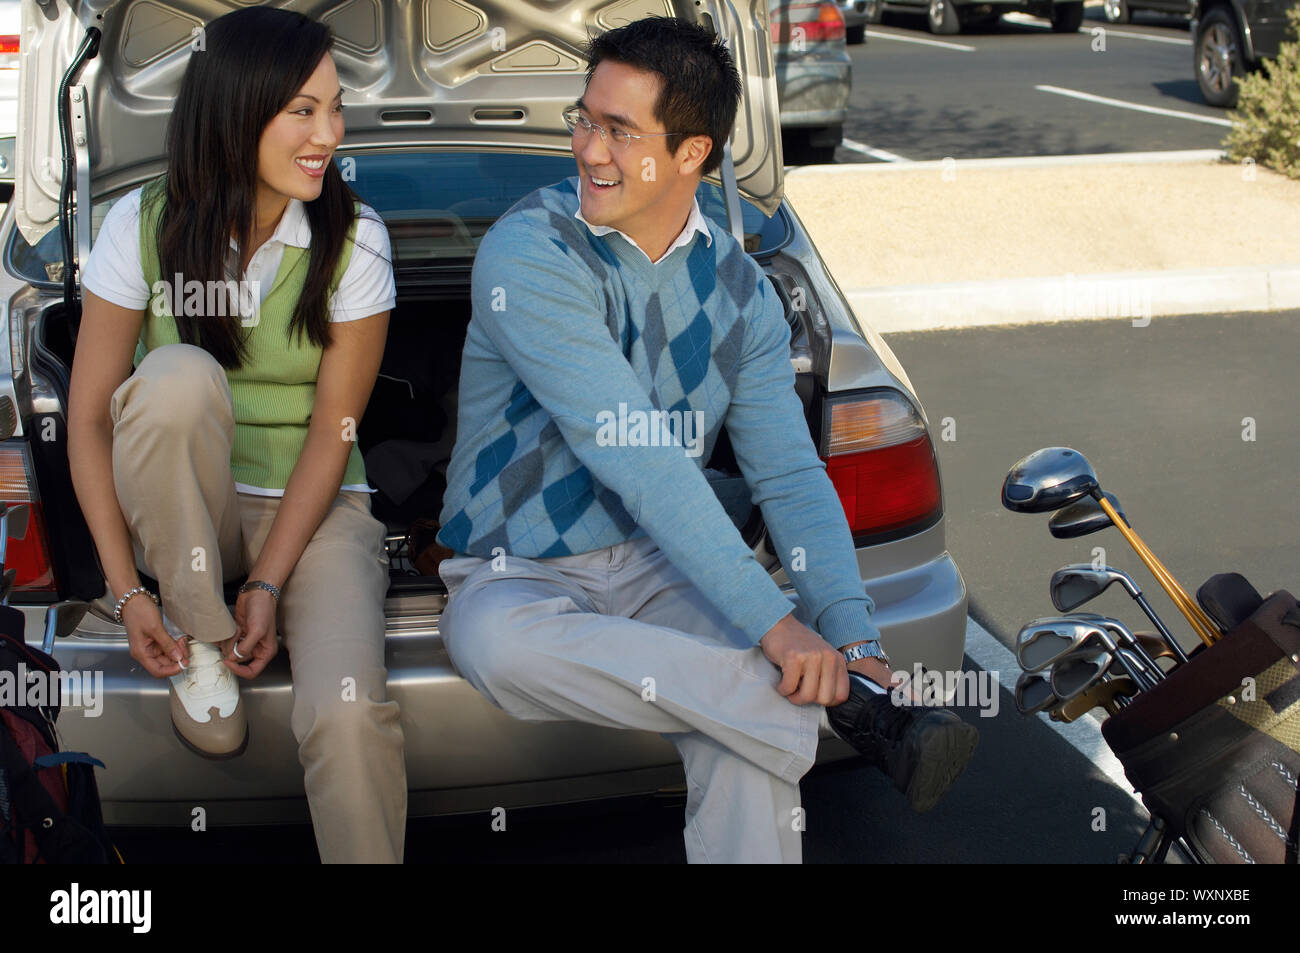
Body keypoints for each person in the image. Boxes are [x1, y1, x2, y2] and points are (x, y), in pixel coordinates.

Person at [436, 16, 977, 864]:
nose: (588, 150)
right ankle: (833, 713)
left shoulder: (744, 292)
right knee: (496, 647)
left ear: (693, 153)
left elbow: (791, 476)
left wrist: (854, 637)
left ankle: (828, 697)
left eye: (620, 131)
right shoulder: (532, 252)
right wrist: (780, 630)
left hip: (659, 564)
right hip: (516, 571)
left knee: (744, 740)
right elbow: (638, 455)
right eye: (585, 119)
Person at [67, 7, 406, 864]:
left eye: (335, 108)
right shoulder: (137, 225)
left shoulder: (355, 236)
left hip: (316, 506)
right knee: (176, 378)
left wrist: (267, 581)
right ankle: (201, 643)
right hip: (190, 510)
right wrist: (132, 593)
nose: (329, 133)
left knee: (346, 710)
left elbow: (336, 433)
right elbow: (87, 420)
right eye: (303, 110)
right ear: (236, 111)